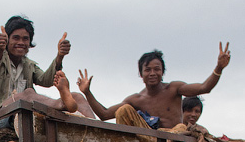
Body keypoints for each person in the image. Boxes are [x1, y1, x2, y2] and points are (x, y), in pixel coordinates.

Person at [76, 43, 231, 130]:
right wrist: (87, 92)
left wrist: (219, 68)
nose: (152, 73)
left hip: (174, 139)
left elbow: (204, 87)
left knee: (181, 128)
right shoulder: (137, 99)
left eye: (157, 69)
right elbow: (104, 114)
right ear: (141, 74)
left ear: (162, 72)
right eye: (147, 70)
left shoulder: (174, 88)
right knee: (124, 110)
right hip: (150, 141)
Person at [0, 15, 73, 118]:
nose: (21, 43)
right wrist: (0, 51)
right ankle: (61, 104)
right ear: (7, 40)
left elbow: (46, 81)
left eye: (25, 39)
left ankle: (85, 120)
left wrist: (60, 56)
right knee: (28, 94)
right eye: (16, 38)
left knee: (77, 97)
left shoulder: (28, 64)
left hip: (23, 115)